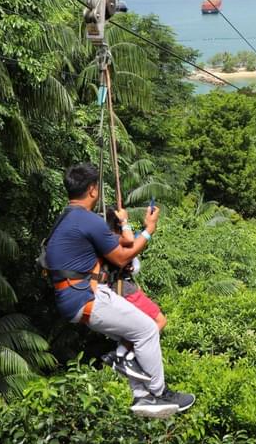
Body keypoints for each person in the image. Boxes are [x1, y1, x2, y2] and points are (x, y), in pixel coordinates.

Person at [44, 162, 195, 418]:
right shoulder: (88, 220)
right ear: (92, 190)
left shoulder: (66, 218)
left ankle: (142, 395)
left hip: (72, 297)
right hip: (85, 296)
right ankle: (159, 393)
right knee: (148, 328)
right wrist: (149, 230)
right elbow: (123, 257)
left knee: (136, 333)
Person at [100, 207, 167, 375]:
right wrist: (140, 226)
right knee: (159, 321)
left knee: (137, 324)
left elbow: (134, 243)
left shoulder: (102, 241)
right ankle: (125, 357)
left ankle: (123, 355)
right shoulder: (113, 240)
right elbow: (132, 242)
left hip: (119, 287)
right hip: (123, 288)